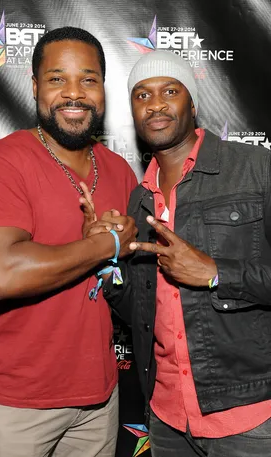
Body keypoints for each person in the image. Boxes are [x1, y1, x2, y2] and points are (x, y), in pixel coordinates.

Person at [0, 26, 137, 457]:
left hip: (98, 397)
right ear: (36, 85)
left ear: (102, 89)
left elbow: (133, 283)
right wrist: (104, 246)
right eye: (58, 79)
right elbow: (2, 274)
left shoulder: (120, 171)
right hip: (15, 404)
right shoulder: (3, 161)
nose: (74, 93)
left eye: (88, 79)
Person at [100, 50, 271, 457]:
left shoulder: (256, 169)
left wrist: (216, 273)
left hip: (249, 416)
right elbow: (138, 309)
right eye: (141, 95)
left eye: (169, 91)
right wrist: (107, 259)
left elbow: (217, 275)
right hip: (167, 419)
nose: (155, 104)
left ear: (191, 103)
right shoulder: (139, 199)